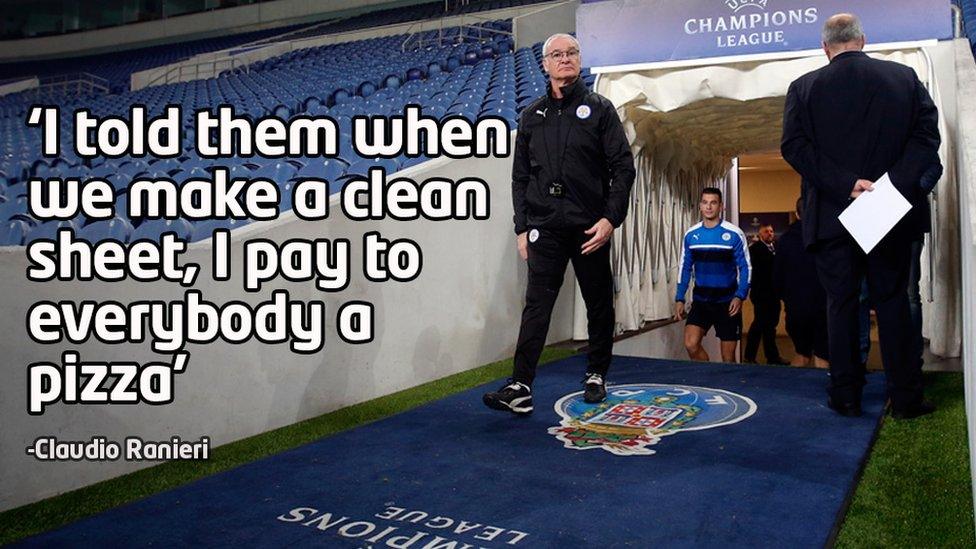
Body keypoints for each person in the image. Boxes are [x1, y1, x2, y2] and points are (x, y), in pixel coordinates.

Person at [781, 13, 941, 419]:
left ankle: (846, 395)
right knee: (892, 302)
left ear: (825, 47)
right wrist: (887, 188)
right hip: (889, 211)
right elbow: (927, 138)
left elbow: (794, 148)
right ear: (863, 40)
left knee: (841, 304)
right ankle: (905, 397)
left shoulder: (803, 88)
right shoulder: (904, 78)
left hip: (834, 214)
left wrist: (848, 183)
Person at [483, 33, 636, 415]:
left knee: (598, 302)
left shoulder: (600, 109)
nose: (565, 59)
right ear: (545, 64)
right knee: (536, 305)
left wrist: (610, 219)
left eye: (571, 53)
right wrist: (522, 228)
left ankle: (597, 372)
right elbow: (520, 178)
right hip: (545, 228)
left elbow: (623, 168)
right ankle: (520, 385)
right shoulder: (530, 116)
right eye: (557, 54)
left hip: (590, 228)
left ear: (579, 59)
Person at [673, 187, 751, 363]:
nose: (709, 207)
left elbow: (746, 268)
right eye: (705, 202)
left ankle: (726, 387)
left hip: (728, 302)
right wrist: (680, 297)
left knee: (728, 357)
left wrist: (740, 295)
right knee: (691, 344)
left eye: (713, 203)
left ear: (721, 206)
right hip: (701, 301)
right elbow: (685, 267)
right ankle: (708, 378)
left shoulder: (734, 234)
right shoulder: (691, 235)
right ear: (700, 206)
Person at [774, 198, 829, 368]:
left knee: (801, 354)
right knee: (823, 355)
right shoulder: (826, 238)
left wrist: (785, 298)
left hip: (796, 307)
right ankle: (825, 393)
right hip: (823, 306)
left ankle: (790, 393)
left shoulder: (784, 241)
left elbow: (777, 276)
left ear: (797, 213)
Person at [744, 223, 786, 364]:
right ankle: (749, 356)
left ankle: (772, 356)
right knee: (759, 324)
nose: (770, 233)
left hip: (774, 294)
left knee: (771, 326)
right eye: (767, 231)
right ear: (760, 234)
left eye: (772, 231)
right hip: (761, 294)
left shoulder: (777, 248)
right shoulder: (754, 250)